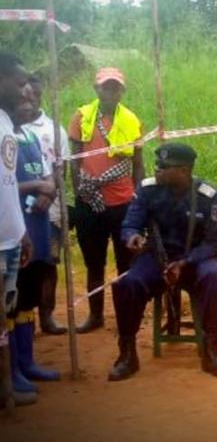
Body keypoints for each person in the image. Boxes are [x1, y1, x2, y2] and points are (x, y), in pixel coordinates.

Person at [109, 142, 217, 381]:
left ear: (184, 171)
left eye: (165, 167)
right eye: (157, 165)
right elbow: (130, 223)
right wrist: (131, 236)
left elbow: (215, 241)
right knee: (127, 284)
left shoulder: (208, 196)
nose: (157, 170)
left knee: (214, 275)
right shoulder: (147, 190)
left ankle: (212, 349)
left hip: (196, 260)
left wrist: (186, 262)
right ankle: (127, 353)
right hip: (158, 258)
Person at [68, 67, 143, 333]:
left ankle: (126, 315)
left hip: (123, 202)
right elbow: (74, 161)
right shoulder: (82, 116)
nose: (110, 92)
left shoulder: (132, 120)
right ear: (96, 89)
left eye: (115, 87)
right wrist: (81, 193)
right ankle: (95, 315)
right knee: (94, 263)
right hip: (90, 202)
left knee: (126, 263)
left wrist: (139, 198)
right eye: (105, 87)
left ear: (122, 90)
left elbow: (138, 164)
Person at [10, 95, 61, 389]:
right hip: (16, 228)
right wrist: (36, 186)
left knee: (28, 297)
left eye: (30, 100)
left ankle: (28, 363)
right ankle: (13, 368)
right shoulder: (4, 137)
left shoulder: (30, 135)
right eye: (21, 99)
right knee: (12, 301)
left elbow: (49, 176)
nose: (28, 104)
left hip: (38, 225)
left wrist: (48, 190)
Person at [0, 51, 36, 406]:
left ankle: (6, 389)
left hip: (11, 239)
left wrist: (21, 232)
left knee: (4, 320)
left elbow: (6, 185)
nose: (27, 90)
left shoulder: (7, 125)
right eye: (21, 81)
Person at [23, 74, 69, 335]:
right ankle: (23, 320)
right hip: (17, 210)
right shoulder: (8, 126)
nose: (29, 99)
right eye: (25, 94)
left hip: (49, 211)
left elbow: (61, 169)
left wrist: (50, 195)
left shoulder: (53, 130)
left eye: (33, 95)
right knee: (21, 267)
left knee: (48, 263)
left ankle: (47, 316)